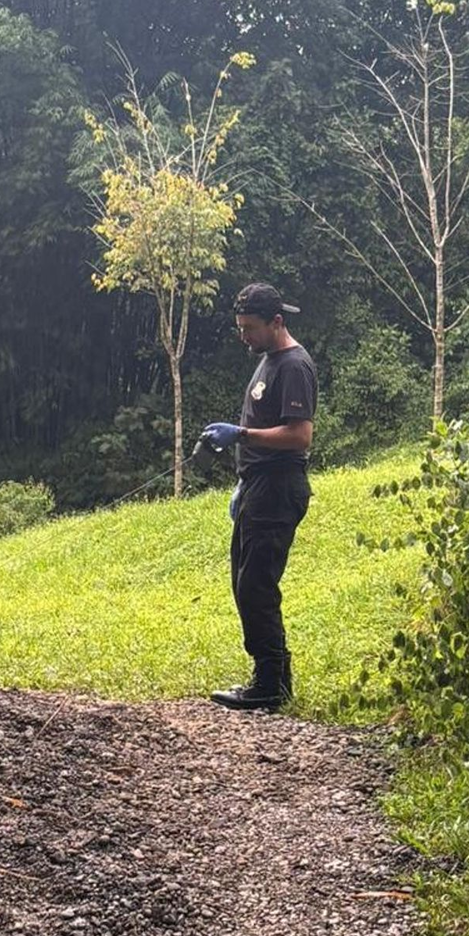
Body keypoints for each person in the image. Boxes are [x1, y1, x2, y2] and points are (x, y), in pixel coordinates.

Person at [199, 282, 317, 710]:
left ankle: (270, 682)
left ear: (276, 322)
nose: (243, 336)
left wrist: (242, 436)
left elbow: (300, 435)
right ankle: (274, 677)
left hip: (279, 488)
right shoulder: (268, 359)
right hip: (256, 486)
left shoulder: (294, 366)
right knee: (244, 583)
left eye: (250, 328)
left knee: (256, 586)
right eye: (240, 328)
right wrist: (243, 476)